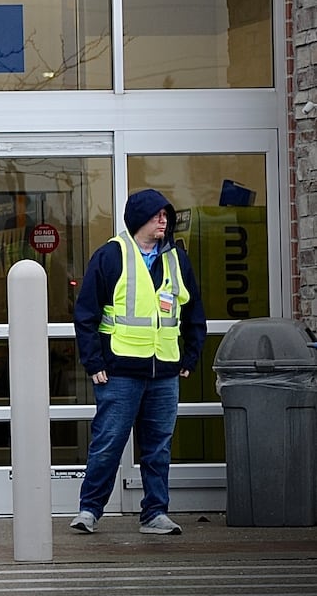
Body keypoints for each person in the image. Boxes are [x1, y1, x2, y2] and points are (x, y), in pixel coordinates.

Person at [69, 188, 206, 535]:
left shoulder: (176, 258)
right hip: (119, 371)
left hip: (165, 371)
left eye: (166, 215)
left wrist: (190, 355)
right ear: (138, 219)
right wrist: (94, 361)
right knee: (108, 442)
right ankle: (89, 510)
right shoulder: (110, 256)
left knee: (158, 447)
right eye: (156, 215)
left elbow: (193, 313)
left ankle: (155, 513)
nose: (163, 220)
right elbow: (86, 314)